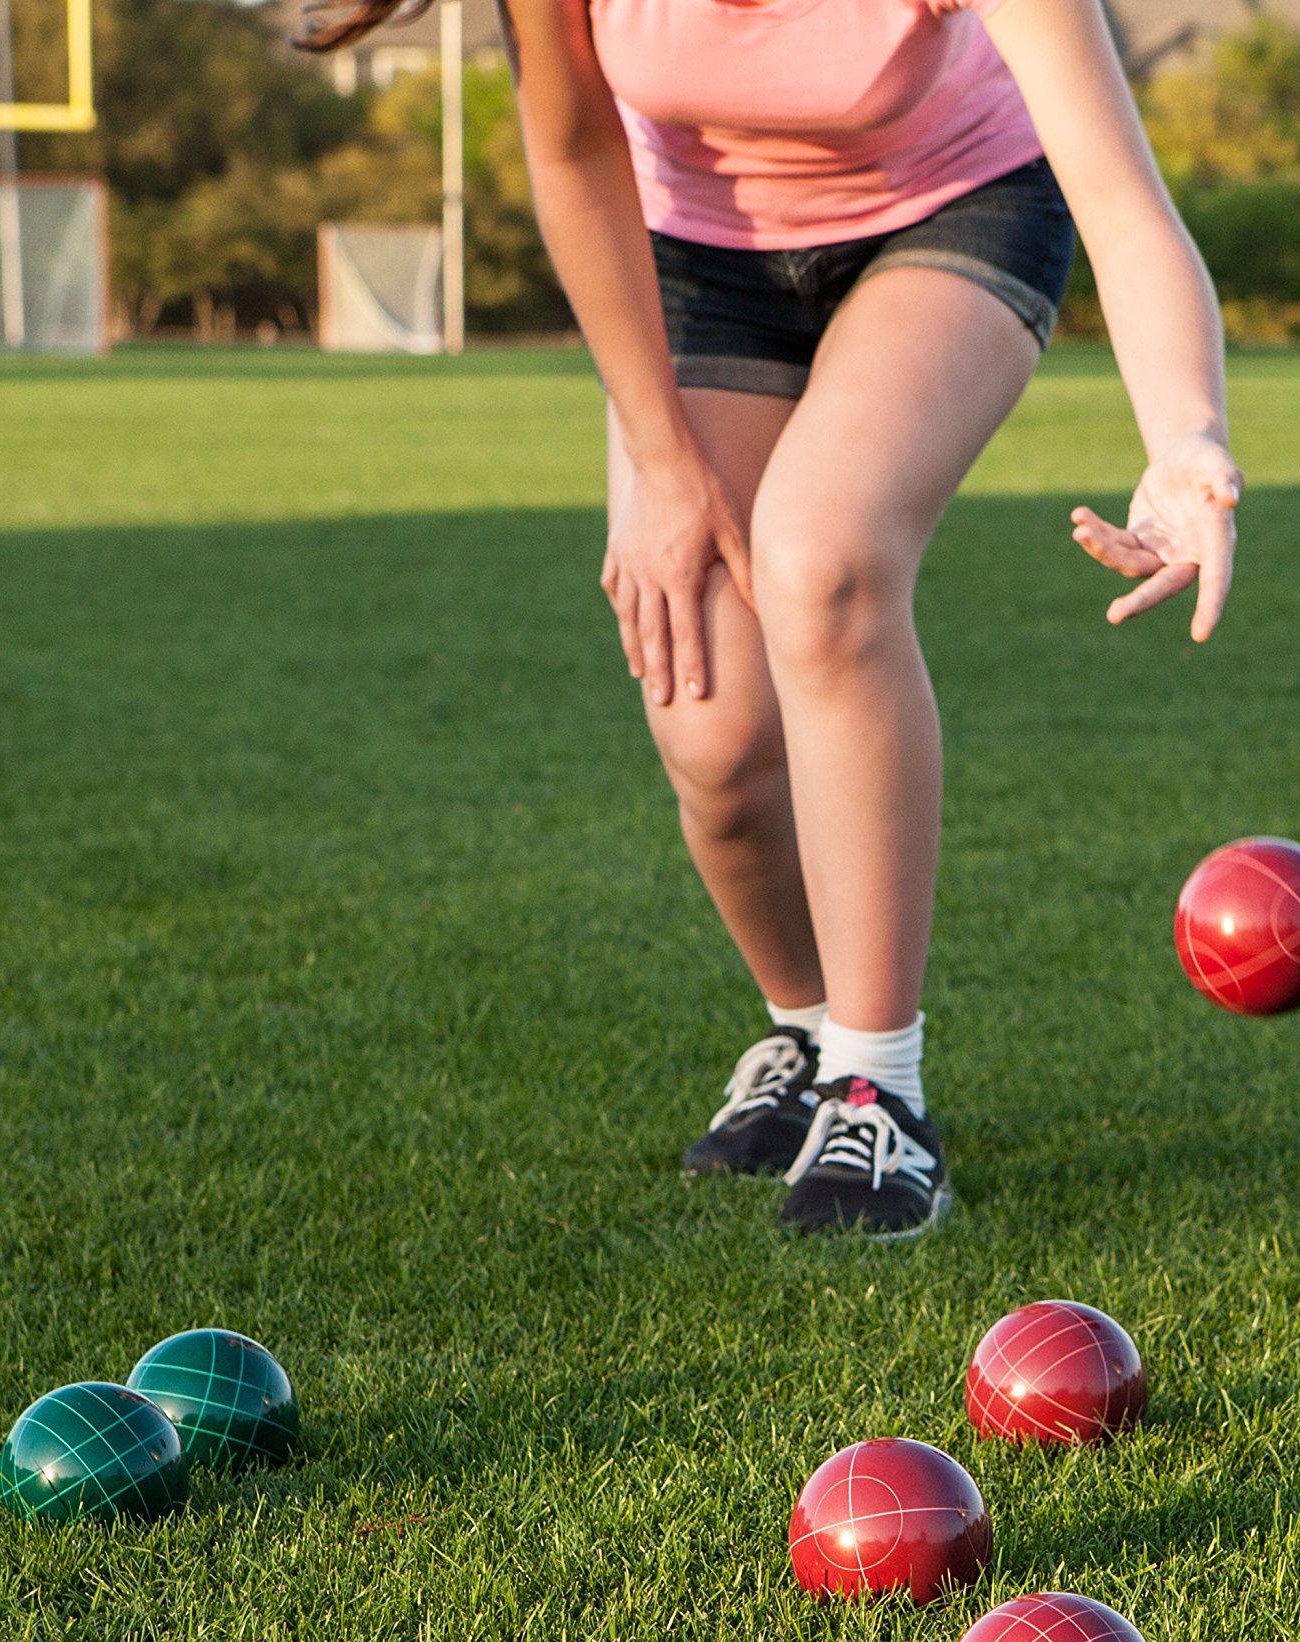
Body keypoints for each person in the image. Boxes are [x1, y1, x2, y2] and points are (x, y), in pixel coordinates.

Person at [302, 0, 1242, 1238]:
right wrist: (661, 467)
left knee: (823, 557)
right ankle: (803, 1033)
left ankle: (877, 1085)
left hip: (955, 209)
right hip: (692, 252)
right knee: (712, 732)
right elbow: (574, 152)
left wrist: (1185, 437)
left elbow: (1121, 199)